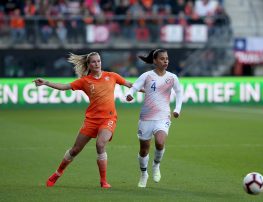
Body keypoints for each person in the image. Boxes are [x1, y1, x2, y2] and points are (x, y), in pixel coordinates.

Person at [33, 52, 134, 188]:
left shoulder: (112, 76)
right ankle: (57, 173)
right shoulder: (85, 81)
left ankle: (103, 181)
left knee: (100, 145)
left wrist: (151, 90)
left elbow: (130, 84)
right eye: (93, 62)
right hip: (91, 120)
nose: (97, 64)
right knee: (75, 150)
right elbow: (64, 87)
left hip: (108, 118)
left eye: (98, 61)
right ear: (89, 65)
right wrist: (46, 82)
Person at [125, 49, 183, 188]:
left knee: (160, 142)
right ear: (155, 61)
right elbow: (134, 87)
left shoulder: (172, 77)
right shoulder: (146, 76)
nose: (166, 61)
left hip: (163, 116)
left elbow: (179, 92)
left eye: (167, 59)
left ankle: (156, 165)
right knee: (144, 150)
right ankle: (144, 173)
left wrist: (177, 109)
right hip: (146, 117)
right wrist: (130, 94)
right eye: (162, 59)